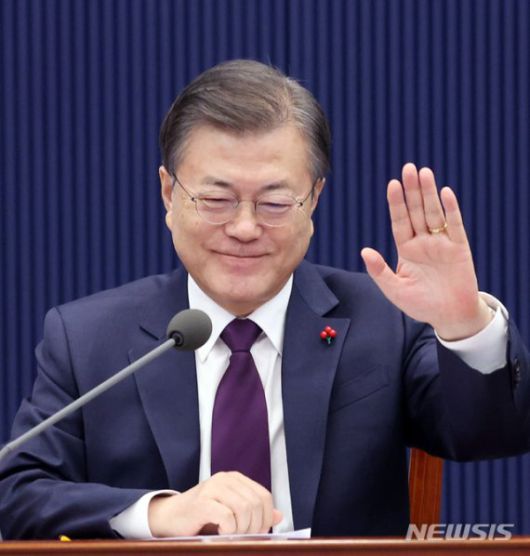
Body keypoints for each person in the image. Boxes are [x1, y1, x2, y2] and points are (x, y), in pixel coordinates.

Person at [0, 59, 528, 540]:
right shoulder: (88, 338)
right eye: (216, 200)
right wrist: (159, 513)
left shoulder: (384, 321)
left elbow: (491, 435)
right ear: (168, 194)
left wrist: (464, 324)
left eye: (275, 203)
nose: (245, 227)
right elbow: (18, 493)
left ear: (313, 198)